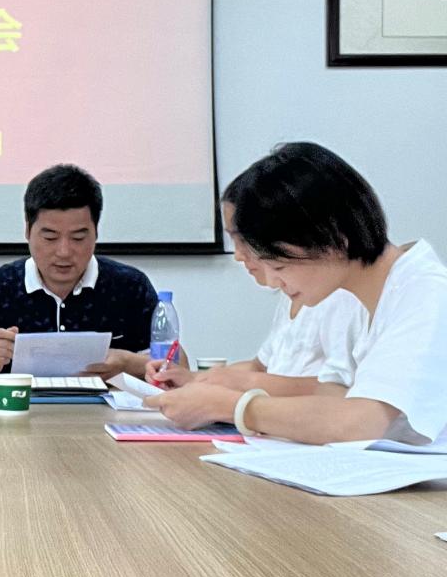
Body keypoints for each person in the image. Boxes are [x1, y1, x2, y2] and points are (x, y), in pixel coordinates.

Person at [146, 142, 447, 445]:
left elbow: (360, 422)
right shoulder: (357, 294)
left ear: (334, 238)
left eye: (279, 265)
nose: (272, 281)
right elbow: (331, 396)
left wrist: (229, 405)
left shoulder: (425, 291)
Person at [0, 163, 163, 385]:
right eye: (50, 237)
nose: (64, 252)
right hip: (18, 404)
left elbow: (174, 364)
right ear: (28, 231)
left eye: (78, 238)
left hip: (103, 406)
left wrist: (128, 363)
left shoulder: (130, 286)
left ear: (96, 232)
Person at [145, 184, 367, 396]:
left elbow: (339, 389)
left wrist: (236, 389)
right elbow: (260, 367)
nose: (238, 255)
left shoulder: (340, 295)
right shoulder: (291, 293)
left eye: (244, 240)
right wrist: (194, 379)